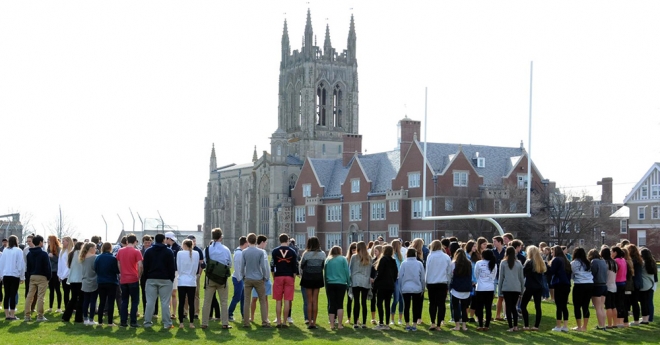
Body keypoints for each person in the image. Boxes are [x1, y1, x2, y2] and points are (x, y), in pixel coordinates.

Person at [200, 228, 232, 329]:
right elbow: (229, 264)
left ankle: (204, 323)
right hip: (222, 279)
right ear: (221, 237)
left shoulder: (207, 249)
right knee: (224, 301)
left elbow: (204, 263)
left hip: (210, 278)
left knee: (207, 301)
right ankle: (225, 323)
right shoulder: (225, 249)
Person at [143, 233, 176, 329]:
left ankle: (147, 322)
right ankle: (167, 323)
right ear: (163, 240)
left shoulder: (148, 251)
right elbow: (171, 267)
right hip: (165, 279)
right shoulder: (168, 251)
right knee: (165, 302)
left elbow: (146, 267)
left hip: (151, 278)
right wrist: (171, 279)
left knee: (150, 302)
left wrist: (147, 277)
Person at [241, 232, 271, 328]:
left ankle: (246, 322)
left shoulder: (244, 252)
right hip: (258, 278)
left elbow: (242, 266)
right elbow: (263, 266)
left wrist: (243, 276)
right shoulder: (260, 252)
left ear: (248, 241)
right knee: (262, 300)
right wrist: (266, 276)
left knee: (246, 300)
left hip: (248, 278)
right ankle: (264, 321)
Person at [271, 233, 298, 328]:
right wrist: (293, 278)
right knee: (287, 300)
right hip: (289, 276)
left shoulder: (274, 251)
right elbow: (295, 267)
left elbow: (272, 266)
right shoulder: (292, 251)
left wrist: (274, 276)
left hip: (278, 276)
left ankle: (278, 321)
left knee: (278, 301)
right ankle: (285, 322)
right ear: (287, 240)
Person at [116, 234, 143, 327]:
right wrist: (138, 275)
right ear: (135, 241)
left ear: (127, 241)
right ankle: (133, 321)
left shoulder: (120, 250)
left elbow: (118, 263)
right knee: (135, 301)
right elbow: (140, 265)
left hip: (124, 279)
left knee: (124, 300)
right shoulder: (137, 251)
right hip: (133, 278)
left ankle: (123, 321)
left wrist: (121, 272)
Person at [299, 236, 325, 329]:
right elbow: (323, 265)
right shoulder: (322, 254)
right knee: (315, 301)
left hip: (307, 277)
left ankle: (309, 322)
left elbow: (302, 266)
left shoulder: (306, 254)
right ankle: (314, 322)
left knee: (309, 301)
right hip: (317, 277)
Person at [24, 235, 51, 322]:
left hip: (32, 276)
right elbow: (47, 267)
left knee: (29, 296)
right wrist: (48, 277)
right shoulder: (44, 254)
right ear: (40, 242)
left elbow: (28, 267)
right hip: (42, 276)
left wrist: (29, 276)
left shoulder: (29, 254)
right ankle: (40, 316)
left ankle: (27, 316)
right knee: (40, 297)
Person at [425, 240, 451, 330]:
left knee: (432, 303)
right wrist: (448, 280)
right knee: (441, 303)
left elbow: (427, 270)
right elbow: (449, 271)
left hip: (432, 282)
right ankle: (439, 324)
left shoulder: (430, 256)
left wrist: (426, 282)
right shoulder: (446, 257)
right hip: (442, 282)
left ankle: (433, 322)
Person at [398, 248, 425, 332]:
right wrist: (423, 288)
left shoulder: (404, 263)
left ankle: (407, 324)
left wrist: (400, 288)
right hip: (417, 288)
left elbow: (400, 277)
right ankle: (414, 324)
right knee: (415, 307)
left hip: (406, 287)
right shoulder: (419, 263)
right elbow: (422, 278)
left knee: (406, 306)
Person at [498, 246, 524, 332]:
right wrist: (522, 290)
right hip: (516, 288)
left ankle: (510, 326)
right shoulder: (519, 263)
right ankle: (516, 326)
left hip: (506, 287)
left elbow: (501, 277)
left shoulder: (503, 263)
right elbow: (521, 278)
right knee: (514, 307)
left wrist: (499, 291)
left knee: (508, 307)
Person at [324, 246, 349, 330]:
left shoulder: (328, 260)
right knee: (340, 304)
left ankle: (331, 324)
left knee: (332, 304)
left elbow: (325, 273)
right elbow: (347, 271)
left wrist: (326, 284)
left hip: (330, 283)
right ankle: (340, 324)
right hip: (341, 283)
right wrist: (348, 283)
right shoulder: (343, 259)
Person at [372, 245, 398, 330]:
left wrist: (375, 281)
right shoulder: (393, 260)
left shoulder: (383, 260)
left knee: (379, 303)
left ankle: (381, 322)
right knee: (387, 304)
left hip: (382, 285)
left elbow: (380, 272)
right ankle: (387, 323)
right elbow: (395, 273)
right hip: (390, 285)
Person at [0, 235, 25, 320]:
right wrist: (22, 277)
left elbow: (2, 263)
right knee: (13, 295)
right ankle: (12, 314)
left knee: (7, 295)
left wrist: (1, 275)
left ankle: (7, 314)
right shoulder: (18, 250)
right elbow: (21, 265)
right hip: (14, 275)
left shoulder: (5, 250)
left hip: (6, 275)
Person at [520, 245, 545, 330]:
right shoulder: (541, 262)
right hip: (539, 287)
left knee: (523, 306)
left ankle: (526, 325)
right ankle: (536, 326)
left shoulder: (529, 262)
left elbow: (522, 273)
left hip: (530, 286)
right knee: (538, 307)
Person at [176, 239, 199, 329]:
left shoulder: (180, 253)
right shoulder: (196, 253)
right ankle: (191, 323)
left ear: (184, 245)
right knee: (191, 302)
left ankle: (181, 323)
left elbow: (178, 266)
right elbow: (197, 267)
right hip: (191, 281)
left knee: (181, 302)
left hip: (182, 280)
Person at [95, 242, 119, 326]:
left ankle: (100, 321)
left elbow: (96, 269)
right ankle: (109, 321)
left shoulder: (98, 258)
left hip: (101, 281)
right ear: (110, 248)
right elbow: (117, 270)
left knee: (102, 301)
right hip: (112, 281)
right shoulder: (113, 258)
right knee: (111, 302)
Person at [548, 245, 572, 332]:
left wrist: (546, 266)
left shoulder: (556, 259)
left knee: (559, 305)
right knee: (564, 305)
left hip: (559, 284)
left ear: (556, 252)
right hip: (566, 284)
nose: (551, 254)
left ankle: (558, 326)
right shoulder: (567, 261)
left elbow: (551, 271)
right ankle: (565, 326)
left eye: (552, 252)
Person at [249, 235, 271, 324]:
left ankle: (254, 317)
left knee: (255, 299)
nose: (266, 244)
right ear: (262, 242)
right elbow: (265, 266)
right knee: (262, 299)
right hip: (260, 278)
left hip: (254, 277)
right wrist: (266, 277)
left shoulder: (253, 251)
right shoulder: (262, 252)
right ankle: (264, 318)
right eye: (265, 243)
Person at [350, 241, 372, 329]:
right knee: (364, 303)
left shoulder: (354, 257)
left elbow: (350, 268)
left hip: (355, 280)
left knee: (356, 302)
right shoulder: (369, 257)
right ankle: (364, 323)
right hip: (365, 281)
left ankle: (355, 322)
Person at [449, 248, 472, 331]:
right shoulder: (469, 263)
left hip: (456, 288)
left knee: (456, 307)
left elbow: (451, 275)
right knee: (464, 307)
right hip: (466, 288)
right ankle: (464, 326)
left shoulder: (453, 263)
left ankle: (457, 326)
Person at [474, 249, 497, 331]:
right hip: (490, 288)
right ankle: (487, 325)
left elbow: (476, 274)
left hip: (480, 288)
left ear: (482, 255)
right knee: (488, 307)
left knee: (480, 307)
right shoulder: (494, 264)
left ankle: (480, 324)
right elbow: (494, 276)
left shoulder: (479, 263)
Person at [62, 242, 84, 323]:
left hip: (72, 279)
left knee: (73, 298)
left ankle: (66, 316)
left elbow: (68, 266)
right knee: (81, 299)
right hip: (80, 279)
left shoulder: (71, 254)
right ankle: (78, 318)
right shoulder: (81, 254)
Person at [228, 236, 247, 322]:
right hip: (238, 278)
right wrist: (239, 278)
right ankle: (229, 314)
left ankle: (244, 315)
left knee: (243, 297)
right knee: (237, 297)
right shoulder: (239, 253)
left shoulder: (241, 252)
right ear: (245, 243)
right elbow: (237, 266)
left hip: (242, 278)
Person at [79, 242, 98, 326]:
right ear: (91, 248)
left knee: (86, 301)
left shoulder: (82, 257)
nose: (96, 249)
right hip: (94, 281)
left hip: (85, 281)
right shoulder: (95, 257)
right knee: (93, 301)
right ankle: (91, 319)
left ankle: (85, 318)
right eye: (95, 247)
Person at [589, 248, 608, 330]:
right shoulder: (603, 261)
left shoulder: (594, 262)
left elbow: (592, 273)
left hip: (597, 285)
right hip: (604, 285)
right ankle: (603, 325)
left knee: (598, 308)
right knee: (601, 307)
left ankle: (600, 325)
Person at [625, 244, 644, 325]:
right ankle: (636, 320)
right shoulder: (639, 260)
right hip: (638, 282)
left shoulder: (632, 261)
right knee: (635, 302)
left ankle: (630, 320)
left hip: (632, 283)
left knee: (629, 302)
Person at [164, 232, 181, 320]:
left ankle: (174, 313)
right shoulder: (165, 248)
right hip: (166, 272)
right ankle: (168, 312)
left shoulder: (178, 248)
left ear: (168, 239)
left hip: (175, 272)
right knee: (167, 294)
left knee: (173, 293)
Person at [140, 235, 157, 317]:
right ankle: (145, 311)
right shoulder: (140, 251)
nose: (147, 244)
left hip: (152, 273)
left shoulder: (153, 251)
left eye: (149, 242)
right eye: (146, 242)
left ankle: (154, 312)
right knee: (144, 293)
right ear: (143, 243)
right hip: (143, 274)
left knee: (155, 293)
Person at [601, 247, 618, 328]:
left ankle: (610, 324)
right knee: (613, 305)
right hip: (614, 285)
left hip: (607, 286)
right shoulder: (614, 262)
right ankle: (615, 323)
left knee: (608, 306)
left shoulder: (604, 262)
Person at [639, 248, 656, 324]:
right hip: (651, 284)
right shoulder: (653, 262)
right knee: (650, 302)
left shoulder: (643, 264)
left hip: (644, 285)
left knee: (644, 302)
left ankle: (645, 318)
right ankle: (650, 318)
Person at [612, 246, 628, 327]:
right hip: (623, 282)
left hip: (617, 282)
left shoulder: (615, 261)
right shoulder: (623, 260)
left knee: (616, 303)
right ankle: (623, 321)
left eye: (612, 252)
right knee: (621, 302)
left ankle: (618, 321)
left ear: (615, 252)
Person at [390, 240, 404, 325]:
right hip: (394, 279)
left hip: (400, 279)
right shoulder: (392, 256)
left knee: (401, 299)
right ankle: (392, 319)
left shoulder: (400, 256)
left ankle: (400, 319)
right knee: (396, 299)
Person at [491, 236, 506, 321]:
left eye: (495, 241)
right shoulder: (492, 251)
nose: (493, 243)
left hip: (503, 277)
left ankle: (498, 315)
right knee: (491, 296)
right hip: (494, 276)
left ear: (500, 242)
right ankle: (490, 315)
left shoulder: (506, 251)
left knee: (501, 296)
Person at [46, 235, 62, 312]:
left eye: (49, 240)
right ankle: (50, 307)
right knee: (51, 290)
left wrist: (52, 257)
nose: (48, 241)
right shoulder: (48, 249)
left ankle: (59, 308)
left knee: (57, 289)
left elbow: (59, 261)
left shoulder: (58, 249)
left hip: (56, 272)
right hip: (50, 272)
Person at [58, 236, 73, 308]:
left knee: (73, 293)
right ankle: (67, 307)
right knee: (66, 293)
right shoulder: (62, 251)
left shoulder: (72, 251)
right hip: (63, 276)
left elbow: (70, 264)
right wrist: (60, 274)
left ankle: (74, 307)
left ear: (68, 242)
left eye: (63, 241)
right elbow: (60, 263)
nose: (62, 243)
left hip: (71, 275)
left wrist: (65, 274)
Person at [369, 245, 382, 324]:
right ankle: (373, 318)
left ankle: (381, 317)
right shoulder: (373, 260)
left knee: (380, 301)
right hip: (373, 282)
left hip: (380, 282)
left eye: (376, 251)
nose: (374, 253)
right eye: (374, 251)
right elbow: (371, 271)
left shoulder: (382, 260)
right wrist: (370, 278)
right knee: (373, 300)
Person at [344, 242, 357, 324]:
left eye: (356, 250)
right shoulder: (347, 259)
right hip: (349, 282)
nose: (354, 252)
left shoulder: (358, 259)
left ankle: (357, 318)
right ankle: (349, 318)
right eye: (353, 250)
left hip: (356, 282)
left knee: (357, 301)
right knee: (349, 300)